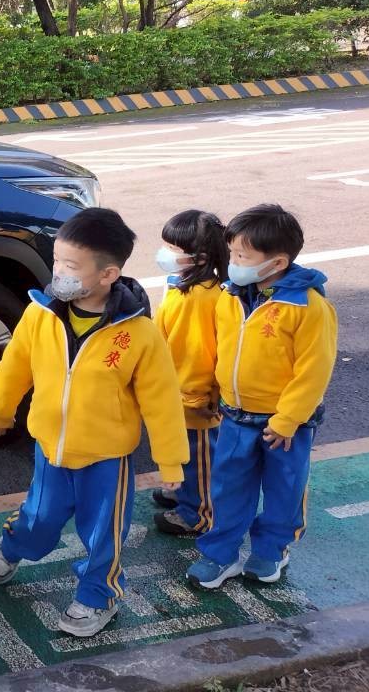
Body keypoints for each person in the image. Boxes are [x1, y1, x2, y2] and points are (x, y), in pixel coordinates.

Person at [0, 208, 186, 639]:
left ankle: (98, 595)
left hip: (108, 458)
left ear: (108, 274)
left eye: (71, 266)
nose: (59, 272)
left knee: (103, 535)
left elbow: (162, 400)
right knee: (38, 523)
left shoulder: (139, 334)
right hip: (50, 451)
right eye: (58, 261)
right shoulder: (40, 314)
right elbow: (14, 367)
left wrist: (170, 461)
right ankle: (15, 545)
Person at [187, 204, 338, 590]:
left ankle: (271, 550)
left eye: (242, 256)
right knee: (228, 488)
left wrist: (288, 419)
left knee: (284, 489)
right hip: (235, 415)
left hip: (284, 425)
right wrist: (209, 390)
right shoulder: (230, 295)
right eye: (233, 253)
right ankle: (220, 555)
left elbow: (314, 370)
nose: (233, 262)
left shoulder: (308, 306)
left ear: (278, 262)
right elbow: (219, 350)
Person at [151, 210, 229, 537]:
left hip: (190, 395)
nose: (165, 253)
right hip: (178, 388)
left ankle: (198, 514)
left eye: (173, 248)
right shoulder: (187, 286)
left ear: (199, 258)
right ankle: (184, 493)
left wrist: (195, 396)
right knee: (185, 450)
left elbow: (197, 353)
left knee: (198, 456)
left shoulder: (197, 298)